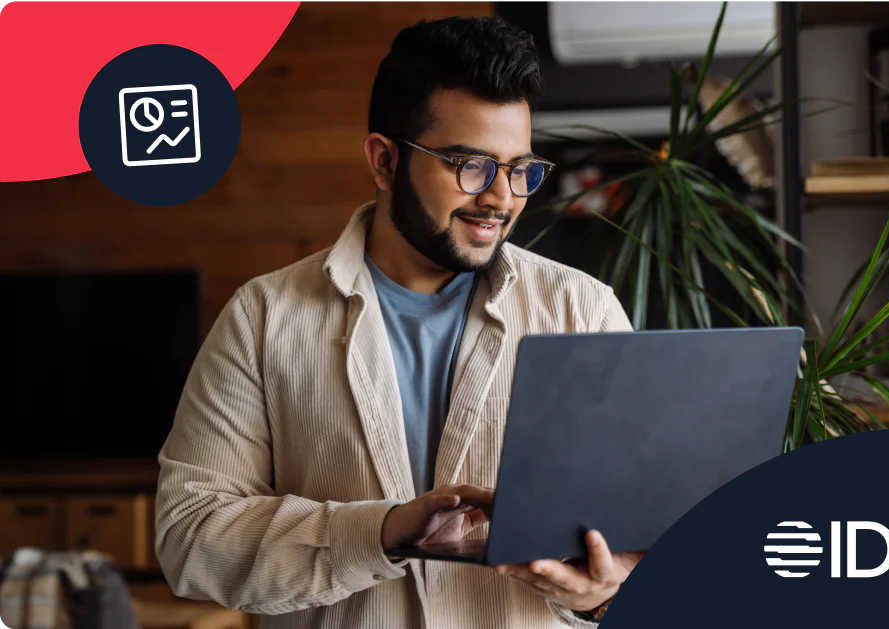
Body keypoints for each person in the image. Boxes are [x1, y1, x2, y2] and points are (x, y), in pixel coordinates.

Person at [154, 15, 640, 629]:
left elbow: (638, 550)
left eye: (519, 169)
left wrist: (599, 597)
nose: (500, 197)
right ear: (384, 162)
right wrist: (381, 533)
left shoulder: (584, 310)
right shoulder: (263, 318)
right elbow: (190, 539)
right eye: (470, 166)